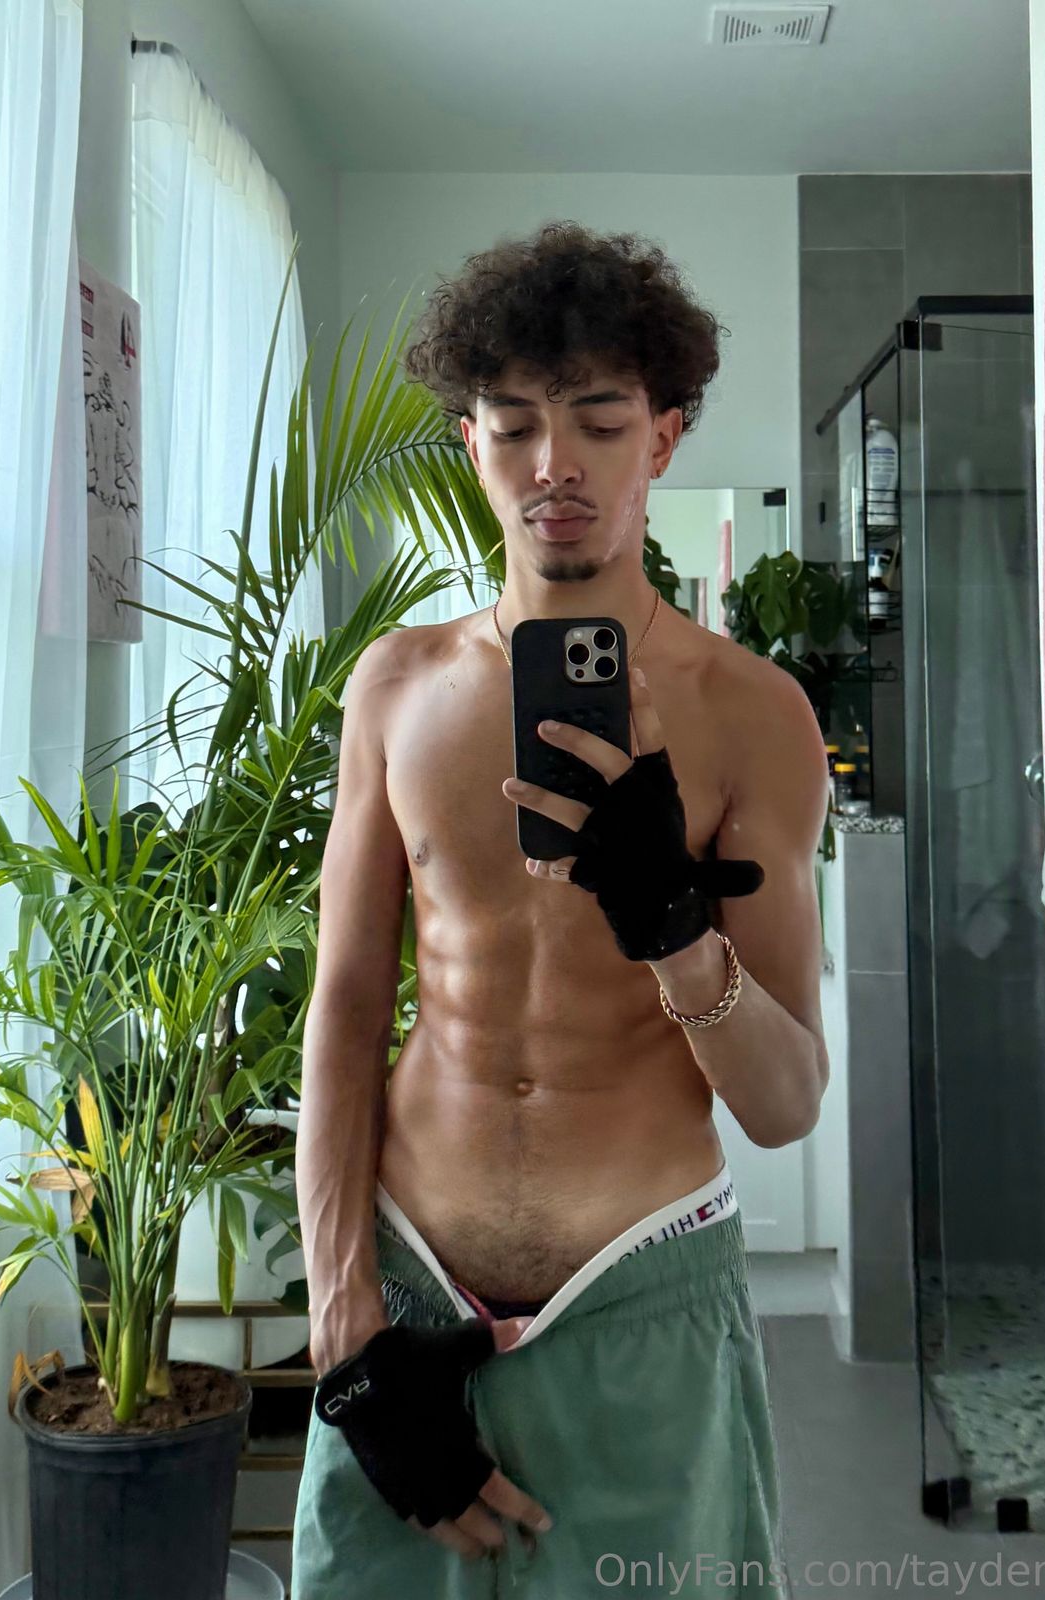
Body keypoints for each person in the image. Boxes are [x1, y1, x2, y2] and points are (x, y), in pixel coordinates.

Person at [291, 219, 830, 1599]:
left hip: (644, 1300)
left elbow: (784, 1103)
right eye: (516, 424)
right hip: (407, 1293)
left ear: (665, 437)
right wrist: (345, 1323)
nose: (555, 465)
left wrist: (672, 926)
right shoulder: (395, 688)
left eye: (598, 420)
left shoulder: (756, 716)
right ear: (470, 440)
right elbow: (344, 1009)